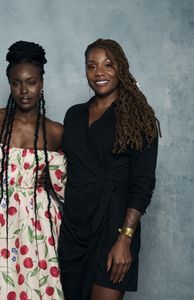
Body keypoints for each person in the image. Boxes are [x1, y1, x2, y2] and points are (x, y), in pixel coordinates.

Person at [58, 39, 160, 300]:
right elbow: (63, 165)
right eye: (91, 66)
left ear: (121, 69)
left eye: (108, 65)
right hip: (74, 228)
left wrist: (125, 239)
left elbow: (143, 183)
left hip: (113, 228)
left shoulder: (138, 117)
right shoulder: (74, 115)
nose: (99, 73)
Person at [0, 41, 66, 300]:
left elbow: (66, 184)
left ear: (41, 83)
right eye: (16, 82)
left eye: (31, 82)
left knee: (34, 288)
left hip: (38, 226)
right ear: (8, 82)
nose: (24, 90)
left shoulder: (55, 132)